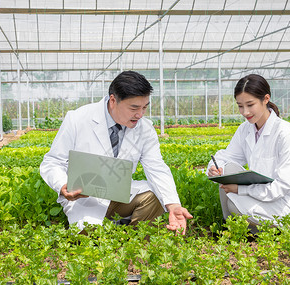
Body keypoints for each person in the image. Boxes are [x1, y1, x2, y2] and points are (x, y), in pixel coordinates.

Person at [40, 71, 192, 234]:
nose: (140, 115)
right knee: (89, 242)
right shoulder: (78, 119)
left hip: (120, 195)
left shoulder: (145, 128)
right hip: (85, 199)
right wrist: (63, 185)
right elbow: (53, 162)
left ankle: (136, 242)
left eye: (144, 108)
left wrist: (173, 205)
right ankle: (113, 230)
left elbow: (156, 167)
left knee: (154, 194)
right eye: (134, 108)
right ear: (113, 100)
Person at [207, 74, 290, 230]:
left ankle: (253, 230)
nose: (245, 112)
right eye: (240, 106)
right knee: (227, 169)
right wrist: (215, 168)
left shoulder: (284, 132)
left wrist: (241, 189)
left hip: (289, 201)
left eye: (250, 105)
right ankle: (231, 227)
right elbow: (226, 157)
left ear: (265, 99)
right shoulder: (245, 129)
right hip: (262, 194)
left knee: (234, 204)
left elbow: (282, 187)